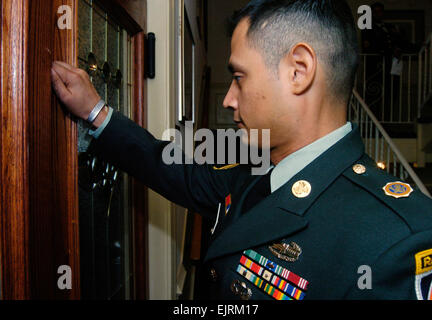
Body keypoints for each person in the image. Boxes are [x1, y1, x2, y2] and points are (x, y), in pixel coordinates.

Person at [51, 0, 432, 300]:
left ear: (299, 71)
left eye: (238, 77)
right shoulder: (251, 172)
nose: (229, 99)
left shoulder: (400, 239)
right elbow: (164, 164)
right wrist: (95, 112)